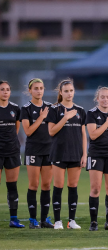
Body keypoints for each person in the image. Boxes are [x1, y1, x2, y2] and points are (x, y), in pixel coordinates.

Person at [46, 79, 87, 230]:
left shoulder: (80, 110)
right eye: (66, 91)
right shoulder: (54, 109)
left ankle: (71, 221)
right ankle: (58, 221)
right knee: (58, 186)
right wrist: (65, 118)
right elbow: (51, 131)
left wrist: (84, 155)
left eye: (71, 91)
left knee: (73, 186)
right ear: (61, 92)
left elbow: (83, 134)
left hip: (76, 153)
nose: (69, 94)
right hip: (59, 153)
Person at [20, 78, 54, 229]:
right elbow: (28, 131)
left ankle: (45, 219)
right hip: (33, 150)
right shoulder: (26, 109)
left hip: (49, 150)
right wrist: (41, 117)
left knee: (46, 185)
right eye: (35, 88)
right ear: (30, 91)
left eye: (41, 88)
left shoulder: (50, 107)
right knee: (34, 185)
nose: (39, 90)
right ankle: (33, 220)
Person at [86, 87, 108, 231]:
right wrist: (107, 123)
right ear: (97, 98)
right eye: (102, 97)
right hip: (96, 154)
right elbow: (93, 135)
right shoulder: (91, 113)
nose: (105, 100)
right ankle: (93, 222)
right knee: (96, 188)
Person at [0, 80, 24, 228]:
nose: (5, 92)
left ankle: (14, 219)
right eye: (2, 89)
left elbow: (16, 129)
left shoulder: (15, 108)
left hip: (12, 151)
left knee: (12, 186)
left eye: (7, 89)